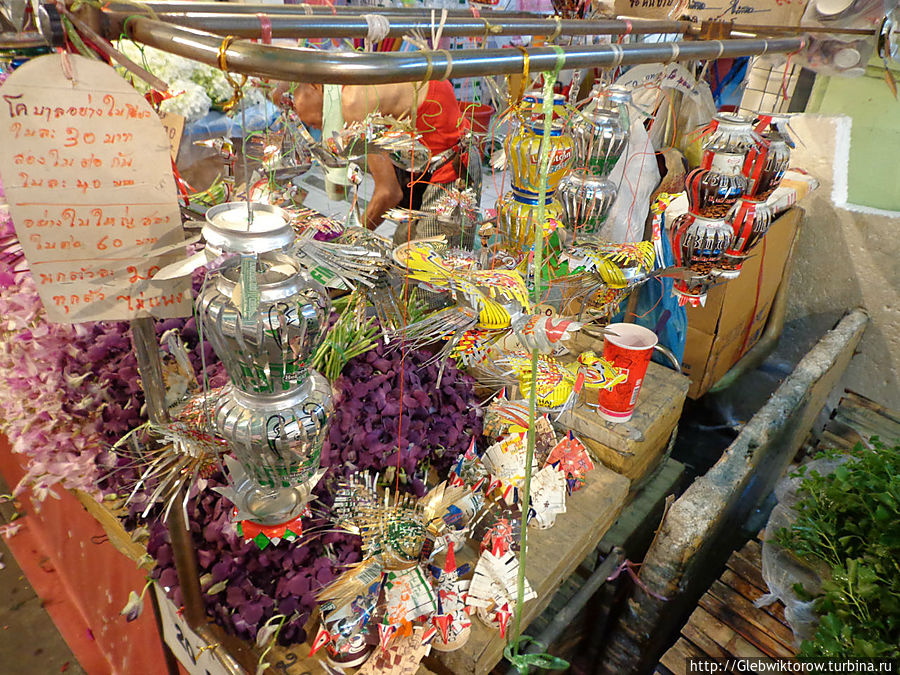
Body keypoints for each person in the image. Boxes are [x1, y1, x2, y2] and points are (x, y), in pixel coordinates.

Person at [274, 80, 473, 230]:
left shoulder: (352, 102)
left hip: (451, 171)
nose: (304, 123)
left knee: (427, 263)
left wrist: (353, 239)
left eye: (293, 104)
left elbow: (389, 193)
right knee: (403, 243)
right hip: (420, 170)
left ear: (316, 85)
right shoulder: (345, 79)